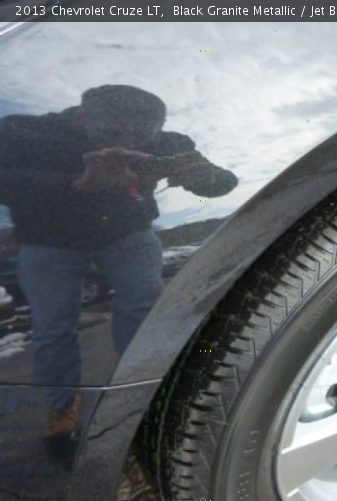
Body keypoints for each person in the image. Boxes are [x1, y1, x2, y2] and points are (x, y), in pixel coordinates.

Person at [0, 85, 238, 436]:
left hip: (127, 235)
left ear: (158, 126)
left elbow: (223, 183)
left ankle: (146, 393)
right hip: (49, 242)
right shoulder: (25, 131)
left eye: (145, 134)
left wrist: (208, 176)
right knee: (53, 327)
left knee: (143, 311)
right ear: (83, 116)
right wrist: (78, 184)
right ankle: (62, 405)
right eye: (116, 133)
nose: (133, 141)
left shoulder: (165, 141)